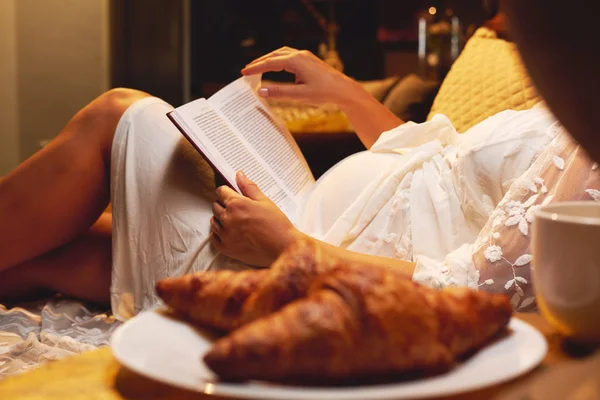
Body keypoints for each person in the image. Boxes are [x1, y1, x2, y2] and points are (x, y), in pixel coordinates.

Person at [0, 43, 597, 320]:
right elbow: (441, 167)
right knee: (71, 244)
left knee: (118, 116)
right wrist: (346, 95)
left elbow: (479, 293)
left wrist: (289, 246)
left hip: (308, 261)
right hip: (304, 218)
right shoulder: (582, 108)